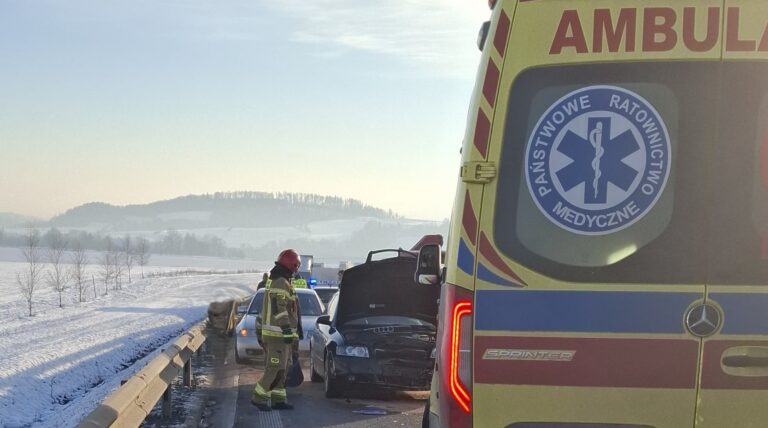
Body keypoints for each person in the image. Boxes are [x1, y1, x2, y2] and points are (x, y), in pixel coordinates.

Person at [251, 249, 301, 411]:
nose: (297, 268)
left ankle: (279, 400)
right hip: (277, 336)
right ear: (291, 264)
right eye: (296, 264)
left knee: (283, 369)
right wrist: (286, 329)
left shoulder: (284, 281)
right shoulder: (280, 282)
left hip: (282, 337)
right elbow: (279, 309)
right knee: (274, 368)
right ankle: (258, 398)